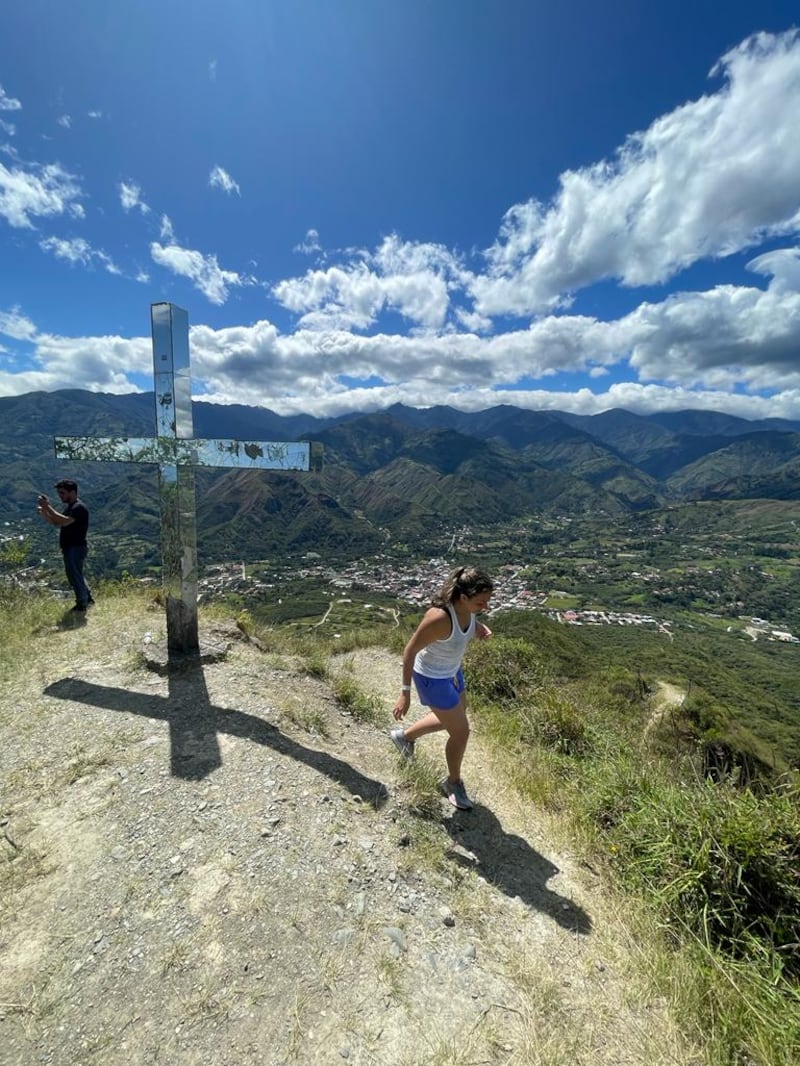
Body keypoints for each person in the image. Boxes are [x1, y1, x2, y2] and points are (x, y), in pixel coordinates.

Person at [391, 565, 493, 810]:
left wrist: (478, 628)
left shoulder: (467, 609)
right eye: (481, 603)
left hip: (452, 671)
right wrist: (405, 693)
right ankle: (452, 782)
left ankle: (404, 738)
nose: (485, 607)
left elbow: (467, 625)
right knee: (461, 731)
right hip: (432, 678)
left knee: (454, 719)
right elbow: (410, 651)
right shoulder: (438, 618)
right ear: (463, 597)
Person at [37, 479, 94, 612]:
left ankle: (82, 604)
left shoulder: (78, 507)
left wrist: (47, 507)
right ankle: (88, 599)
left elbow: (64, 521)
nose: (60, 496)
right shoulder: (71, 507)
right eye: (59, 493)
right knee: (76, 574)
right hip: (71, 547)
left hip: (75, 547)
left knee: (74, 575)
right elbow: (57, 522)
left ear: (72, 492)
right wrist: (44, 513)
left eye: (62, 493)